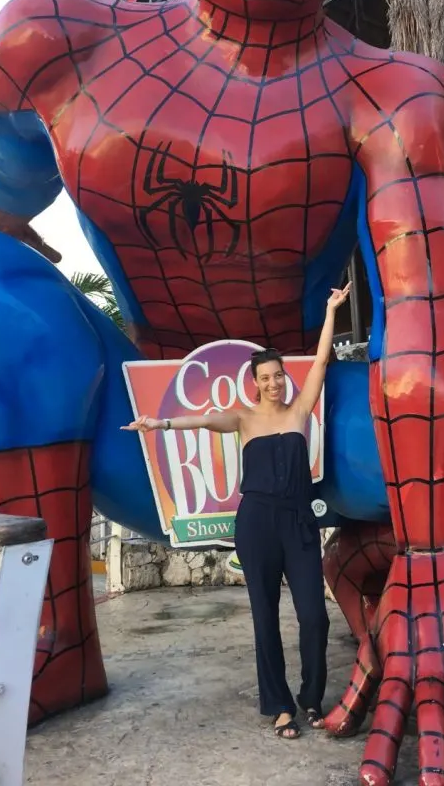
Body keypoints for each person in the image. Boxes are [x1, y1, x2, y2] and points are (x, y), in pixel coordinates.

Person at [122, 283, 352, 740]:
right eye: (265, 377)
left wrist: (330, 311)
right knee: (264, 614)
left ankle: (310, 696)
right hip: (257, 523)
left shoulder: (300, 410)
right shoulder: (245, 418)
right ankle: (280, 706)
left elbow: (323, 361)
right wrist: (158, 422)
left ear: (285, 377)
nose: (273, 382)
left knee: (315, 616)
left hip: (300, 521)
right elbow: (204, 419)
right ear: (256, 382)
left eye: (278, 375)